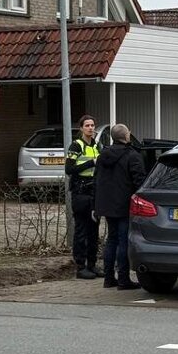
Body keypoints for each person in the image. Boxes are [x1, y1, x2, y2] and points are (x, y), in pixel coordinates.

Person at [94, 124, 146, 290]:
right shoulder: (133, 156)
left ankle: (109, 278)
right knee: (124, 241)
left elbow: (97, 179)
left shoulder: (103, 155)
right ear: (126, 136)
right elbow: (140, 182)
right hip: (125, 204)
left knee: (112, 239)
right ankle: (123, 279)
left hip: (108, 204)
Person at [65, 115, 101, 279]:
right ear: (81, 128)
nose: (90, 128)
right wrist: (91, 163)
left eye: (92, 125)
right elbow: (69, 169)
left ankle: (92, 265)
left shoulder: (97, 145)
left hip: (94, 192)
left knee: (94, 230)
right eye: (87, 125)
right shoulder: (76, 145)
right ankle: (80, 267)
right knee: (81, 230)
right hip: (80, 192)